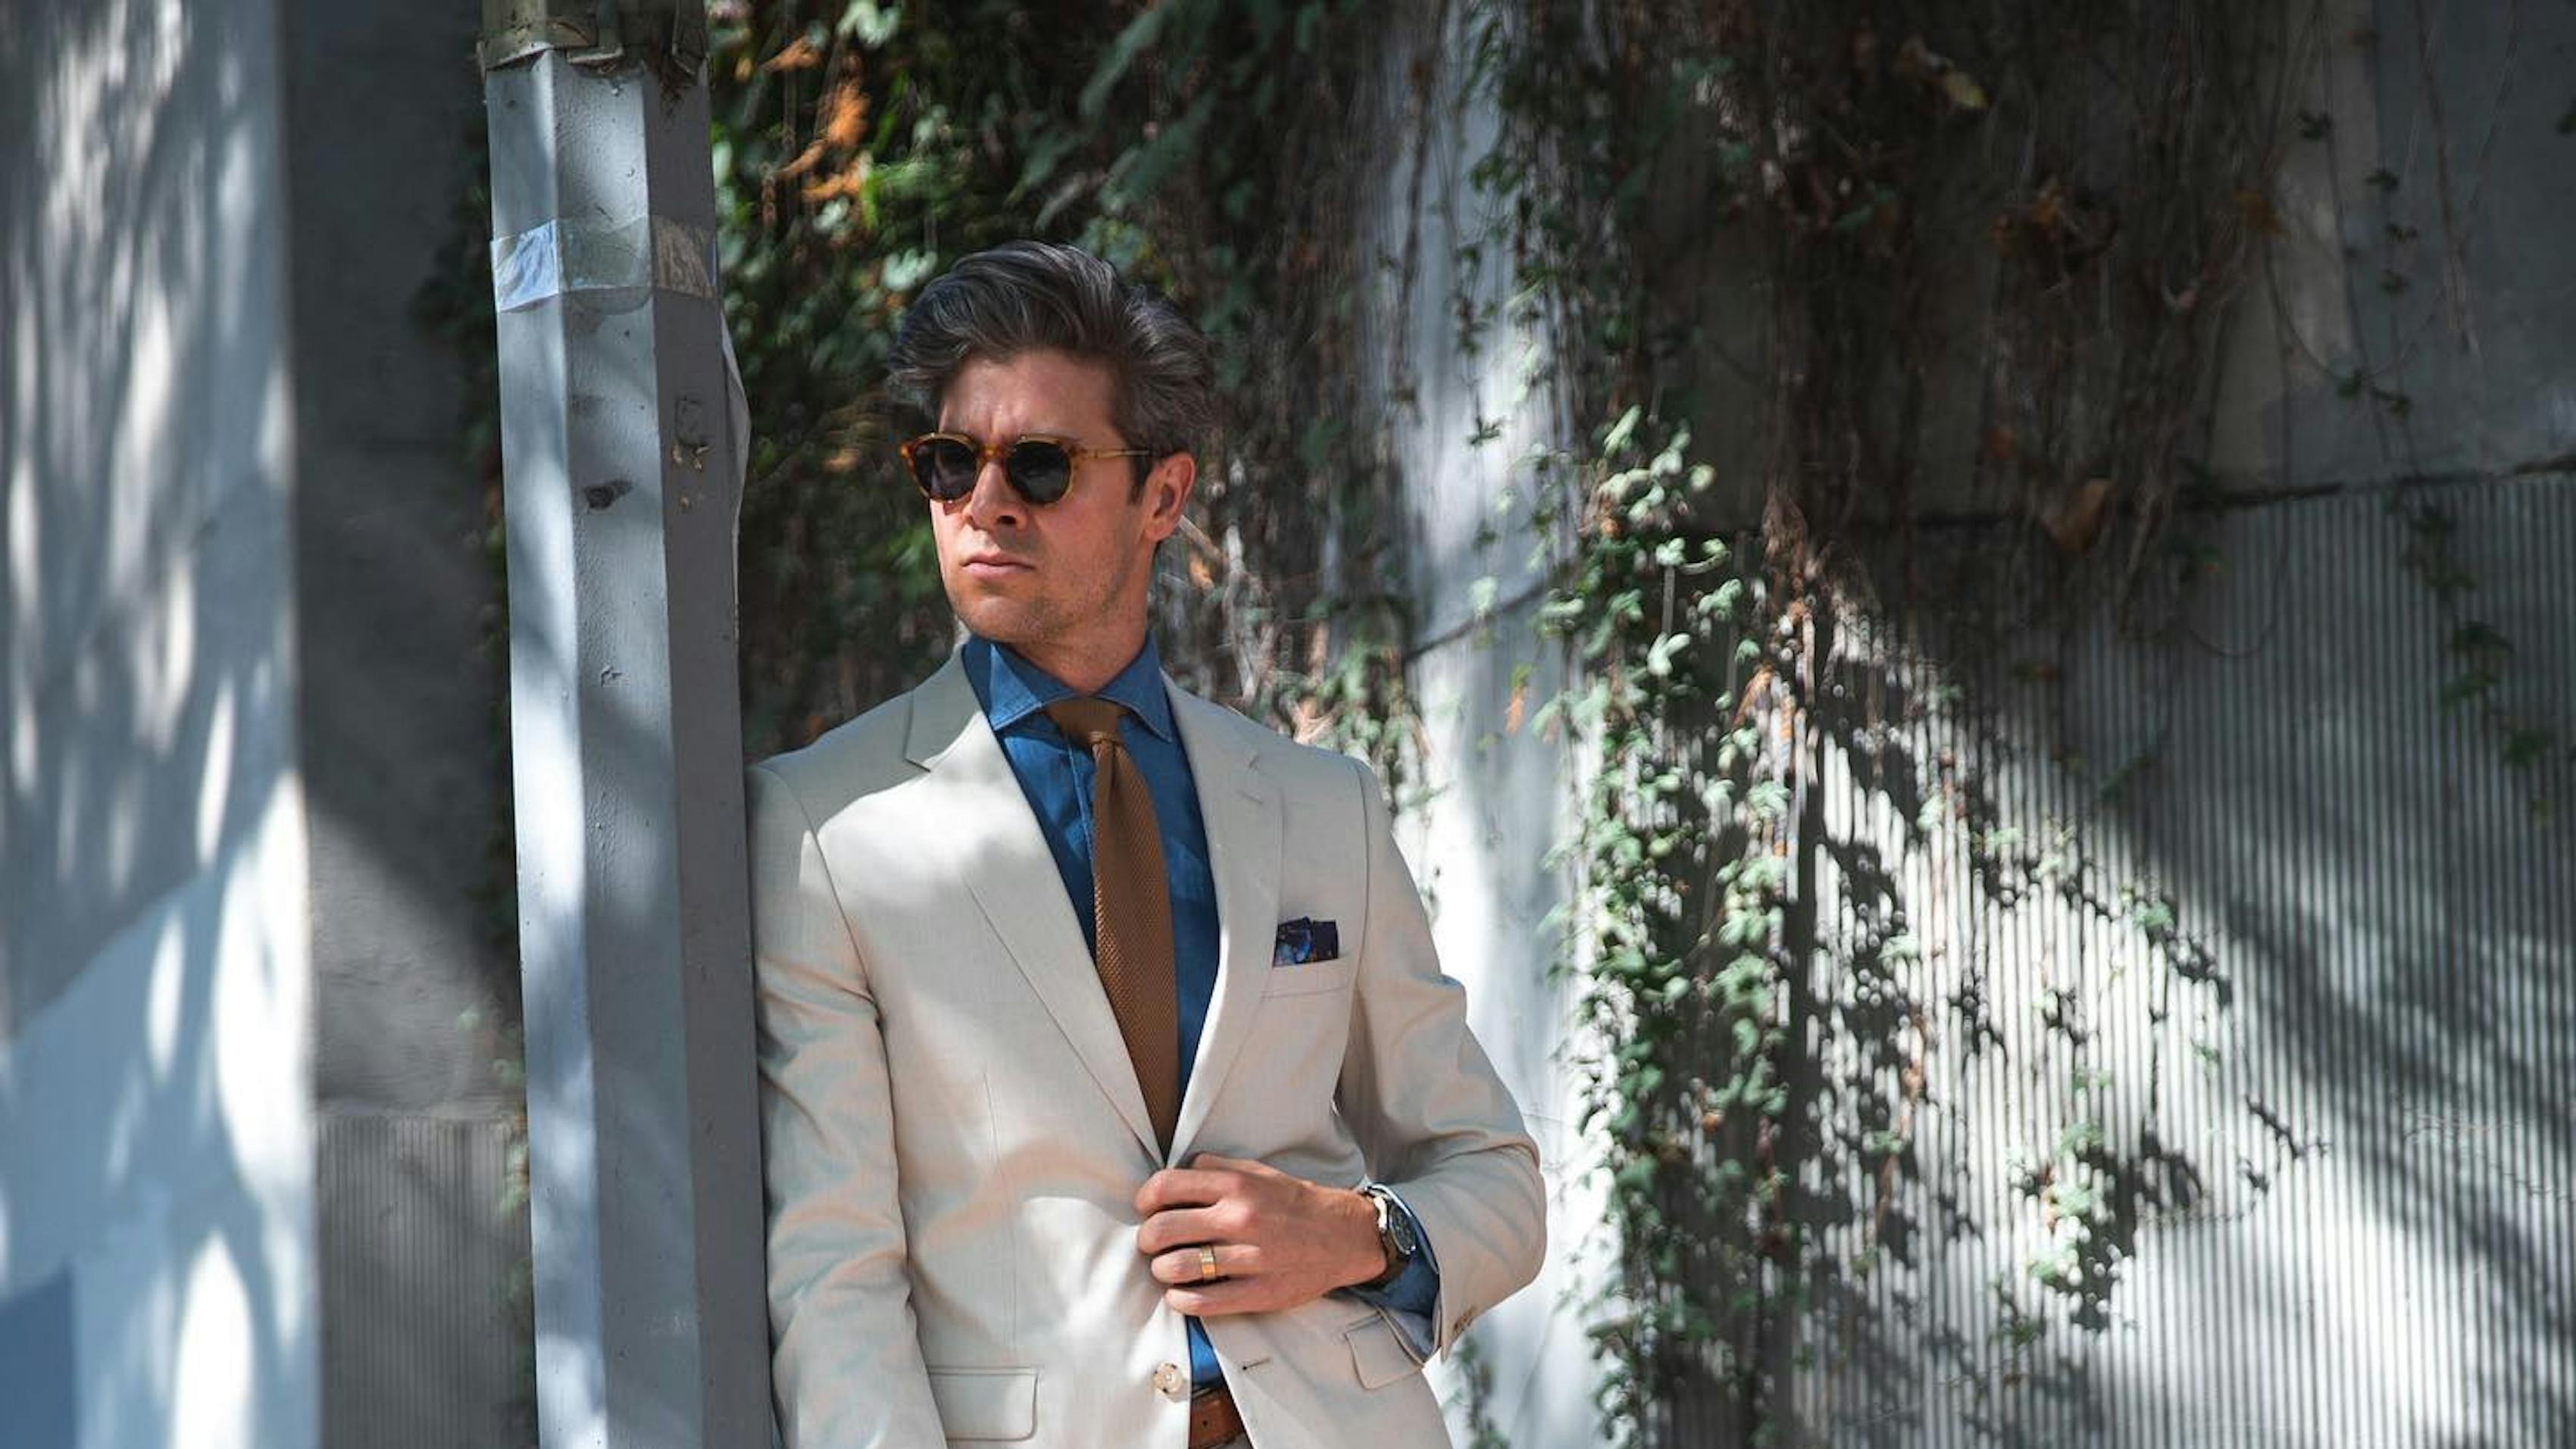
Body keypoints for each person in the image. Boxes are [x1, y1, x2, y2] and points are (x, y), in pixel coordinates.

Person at [747, 240, 1545, 1448]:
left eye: (1043, 464)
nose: (986, 502)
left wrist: (1353, 1234)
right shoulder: (825, 826)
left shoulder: (1324, 807)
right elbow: (836, 1274)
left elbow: (1493, 1174)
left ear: (1163, 497)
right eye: (950, 462)